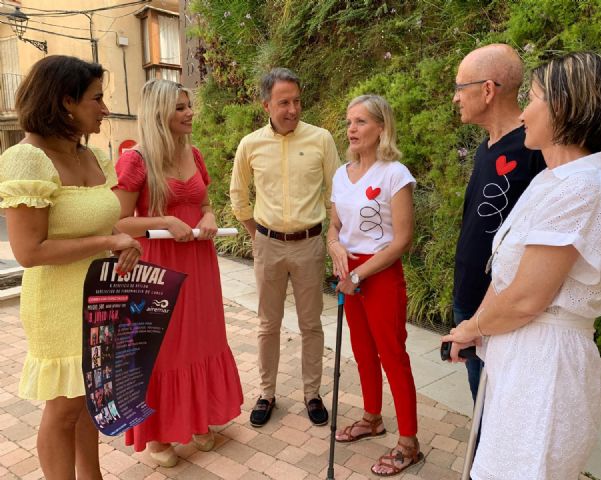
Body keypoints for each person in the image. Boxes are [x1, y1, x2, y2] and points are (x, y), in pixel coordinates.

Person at [443, 52, 601, 479]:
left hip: (544, 375)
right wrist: (476, 325)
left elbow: (528, 296)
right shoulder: (552, 183)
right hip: (517, 362)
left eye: (531, 99)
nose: (524, 111)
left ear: (564, 109)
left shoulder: (585, 191)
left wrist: (473, 327)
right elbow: (506, 273)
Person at [0, 55, 141, 480]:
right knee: (63, 409)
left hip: (99, 295)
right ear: (66, 102)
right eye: (97, 99)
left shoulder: (94, 156)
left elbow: (102, 219)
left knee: (87, 400)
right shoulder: (27, 160)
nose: (105, 108)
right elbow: (29, 250)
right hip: (58, 303)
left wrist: (125, 240)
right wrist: (107, 242)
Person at [114, 79, 243, 467]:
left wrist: (207, 216)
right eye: (181, 107)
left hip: (199, 263)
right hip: (156, 266)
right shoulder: (135, 160)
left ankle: (199, 420)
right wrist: (166, 219)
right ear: (159, 113)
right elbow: (118, 222)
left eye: (189, 106)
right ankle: (158, 436)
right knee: (164, 349)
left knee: (203, 340)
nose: (190, 113)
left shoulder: (195, 153)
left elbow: (205, 203)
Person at [230, 67, 341, 427]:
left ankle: (313, 394)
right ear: (267, 105)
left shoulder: (321, 139)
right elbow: (237, 195)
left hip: (309, 244)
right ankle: (266, 393)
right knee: (268, 324)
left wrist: (333, 237)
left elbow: (335, 195)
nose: (292, 109)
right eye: (283, 102)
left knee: (311, 325)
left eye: (296, 101)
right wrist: (256, 234)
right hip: (268, 245)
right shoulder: (250, 144)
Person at [327, 95, 423, 476]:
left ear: (381, 127)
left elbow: (402, 240)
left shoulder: (394, 174)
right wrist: (334, 246)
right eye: (349, 122)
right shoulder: (340, 173)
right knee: (363, 351)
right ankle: (372, 418)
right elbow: (335, 226)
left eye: (361, 121)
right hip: (348, 273)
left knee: (392, 356)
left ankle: (409, 442)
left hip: (379, 274)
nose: (351, 129)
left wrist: (359, 274)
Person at [451, 44, 546, 401]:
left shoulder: (535, 148)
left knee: (504, 405)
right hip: (468, 297)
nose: (456, 99)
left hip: (504, 307)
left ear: (487, 90)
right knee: (482, 403)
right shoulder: (485, 148)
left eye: (461, 88)